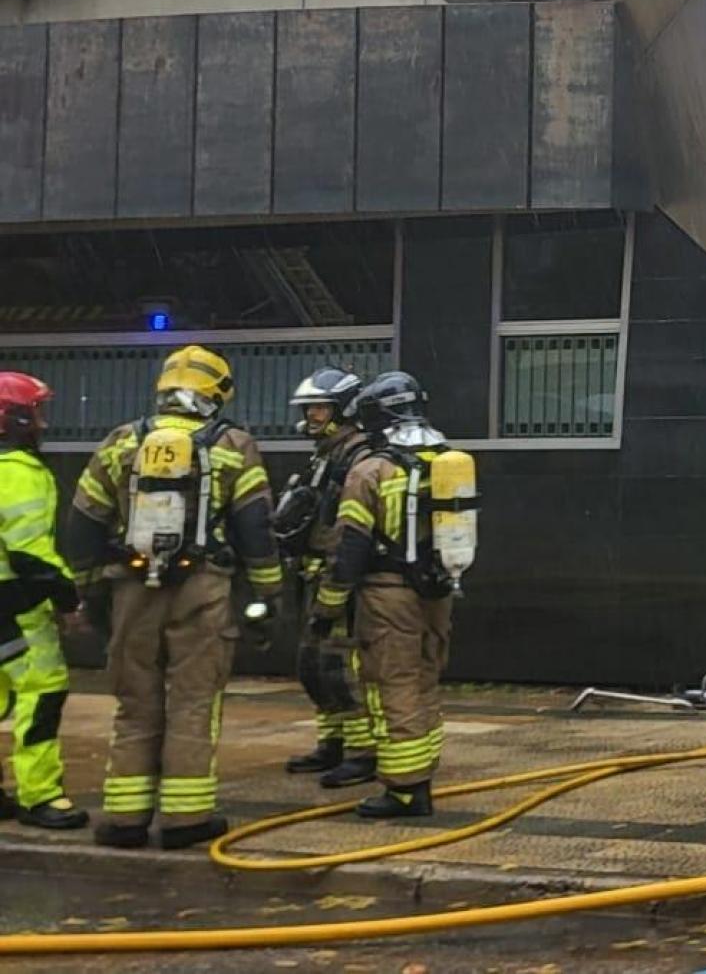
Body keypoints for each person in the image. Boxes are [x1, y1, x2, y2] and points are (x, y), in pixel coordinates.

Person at [62, 345, 282, 849]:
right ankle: (186, 820)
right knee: (192, 701)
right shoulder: (233, 445)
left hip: (131, 589)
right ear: (218, 394)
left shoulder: (121, 441)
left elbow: (84, 522)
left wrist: (90, 590)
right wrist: (268, 594)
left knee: (134, 702)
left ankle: (124, 819)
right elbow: (255, 528)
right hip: (203, 588)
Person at [309, 373, 455, 820]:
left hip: (387, 595)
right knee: (424, 679)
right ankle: (422, 773)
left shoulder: (371, 469)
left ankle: (406, 790)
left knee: (394, 685)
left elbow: (349, 547)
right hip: (437, 592)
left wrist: (328, 605)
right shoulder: (445, 459)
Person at [273, 368, 377, 788]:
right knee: (312, 665)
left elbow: (349, 530)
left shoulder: (358, 457)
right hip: (313, 573)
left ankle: (362, 752)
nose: (311, 416)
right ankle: (331, 742)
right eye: (309, 409)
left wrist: (336, 585)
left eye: (319, 408)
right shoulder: (326, 454)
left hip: (340, 580)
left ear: (344, 410)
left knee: (338, 666)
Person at [0, 372, 88, 829]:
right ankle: (40, 796)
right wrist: (68, 598)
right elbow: (30, 552)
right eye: (35, 413)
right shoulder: (19, 473)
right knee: (42, 695)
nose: (42, 424)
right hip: (18, 606)